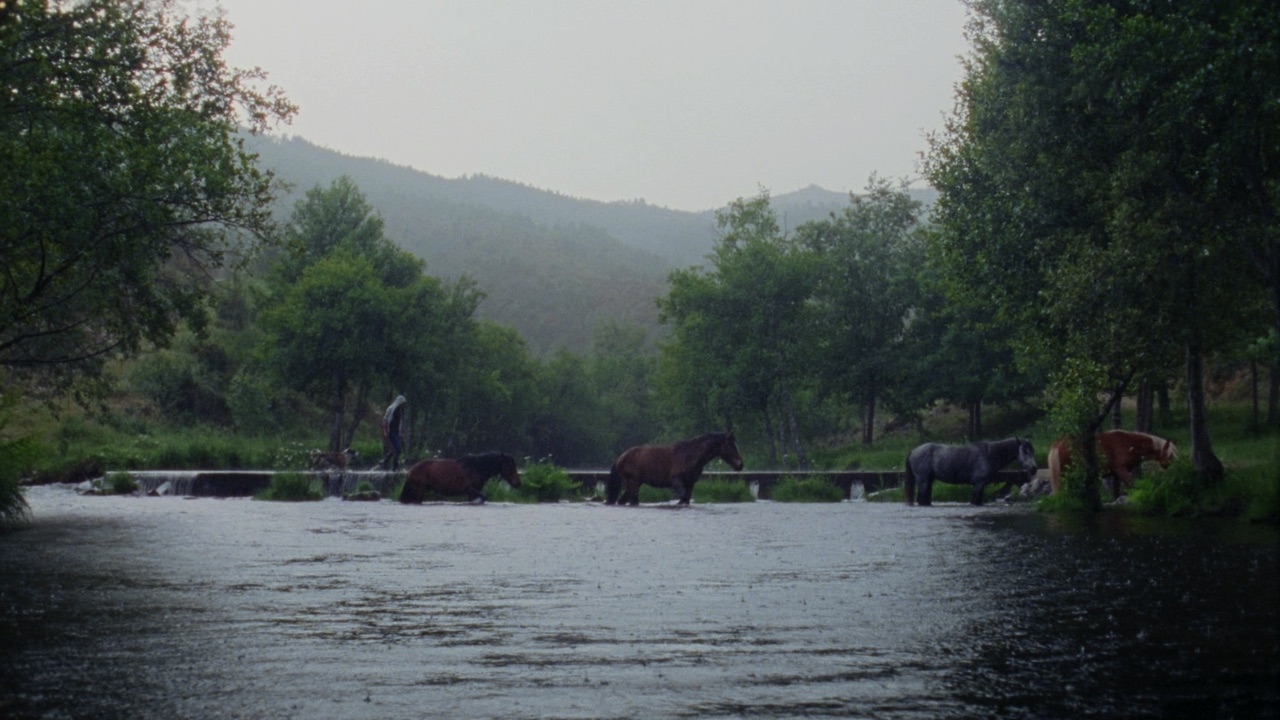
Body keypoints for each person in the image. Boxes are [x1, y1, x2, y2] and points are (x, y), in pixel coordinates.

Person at [380, 395, 407, 470]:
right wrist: (385, 431)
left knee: (396, 449)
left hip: (396, 432)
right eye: (402, 403)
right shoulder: (391, 408)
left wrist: (400, 432)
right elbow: (384, 420)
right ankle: (393, 466)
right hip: (390, 430)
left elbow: (400, 422)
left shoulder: (400, 411)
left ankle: (385, 461)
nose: (403, 405)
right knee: (397, 449)